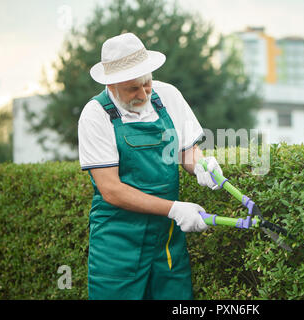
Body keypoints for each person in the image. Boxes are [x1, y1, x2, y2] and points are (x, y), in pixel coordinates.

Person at [78, 32, 223, 300]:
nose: (144, 93)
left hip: (166, 242)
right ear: (111, 85)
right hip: (117, 245)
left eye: (147, 83)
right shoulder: (95, 115)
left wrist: (201, 165)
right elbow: (111, 189)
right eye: (133, 88)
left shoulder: (168, 95)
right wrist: (174, 208)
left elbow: (186, 151)